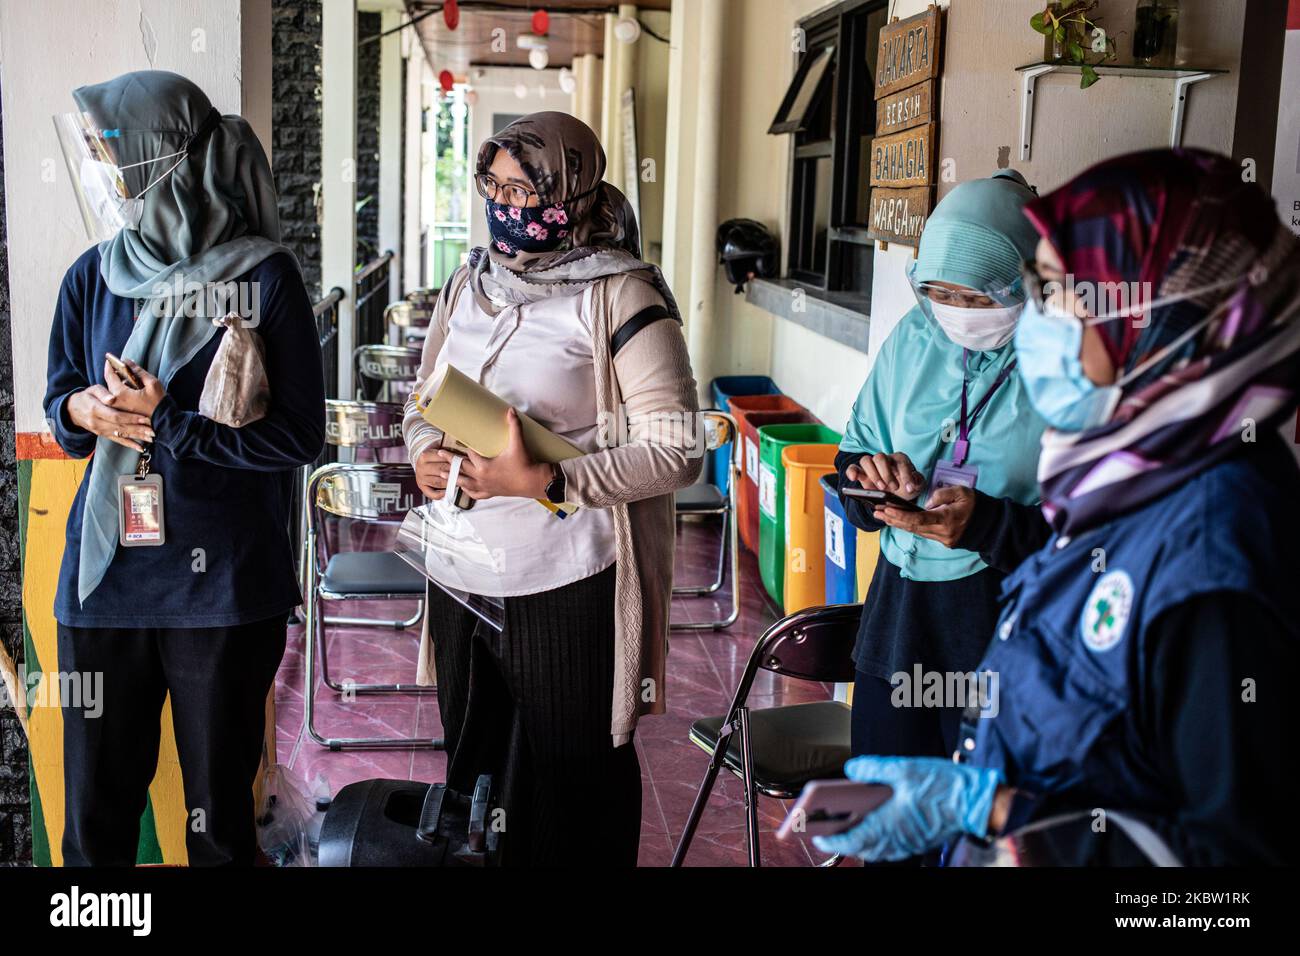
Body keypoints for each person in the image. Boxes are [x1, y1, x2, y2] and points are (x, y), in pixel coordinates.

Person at [816, 149, 1299, 866]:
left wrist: (994, 811)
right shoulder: (1131, 478)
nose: (1041, 321)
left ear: (1156, 318)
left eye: (1057, 293)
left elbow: (1224, 881)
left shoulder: (1219, 547)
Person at [401, 112, 701, 867]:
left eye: (523, 188)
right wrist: (424, 448)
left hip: (567, 577)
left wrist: (552, 479)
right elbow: (421, 396)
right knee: (473, 769)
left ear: (569, 187)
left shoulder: (623, 296)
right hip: (460, 569)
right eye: (492, 185)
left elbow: (676, 450)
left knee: (577, 775)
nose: (504, 204)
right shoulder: (470, 282)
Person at [43, 71, 325, 865]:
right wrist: (84, 413)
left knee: (220, 830)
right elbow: (59, 402)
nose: (104, 170)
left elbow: (299, 437)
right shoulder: (91, 275)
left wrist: (170, 424)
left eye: (113, 151)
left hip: (223, 590)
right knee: (94, 827)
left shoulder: (263, 279)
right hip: (104, 588)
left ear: (162, 159)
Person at [835, 170, 1050, 787]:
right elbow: (853, 457)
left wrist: (985, 524)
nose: (956, 313)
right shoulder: (914, 338)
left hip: (1005, 621)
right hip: (901, 614)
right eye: (940, 293)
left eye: (980, 300)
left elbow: (1097, 535)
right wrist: (873, 483)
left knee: (982, 828)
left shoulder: (1069, 363)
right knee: (893, 813)